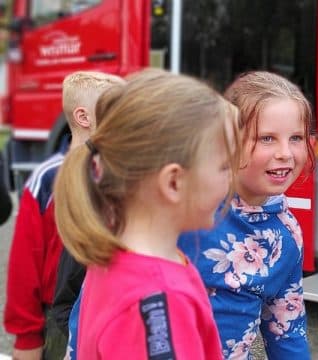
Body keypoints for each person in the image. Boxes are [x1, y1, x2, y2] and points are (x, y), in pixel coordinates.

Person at [53, 69, 240, 358]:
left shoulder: (115, 255)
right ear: (174, 182)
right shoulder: (159, 298)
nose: (232, 179)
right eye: (224, 167)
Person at [178, 71, 314, 359]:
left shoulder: (287, 234)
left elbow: (287, 330)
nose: (285, 153)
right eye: (267, 138)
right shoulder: (184, 211)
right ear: (228, 141)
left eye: (296, 138)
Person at [3, 71, 124, 360]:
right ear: (84, 117)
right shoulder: (48, 179)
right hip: (58, 321)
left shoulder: (123, 175)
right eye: (118, 110)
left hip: (109, 312)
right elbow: (25, 266)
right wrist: (27, 338)